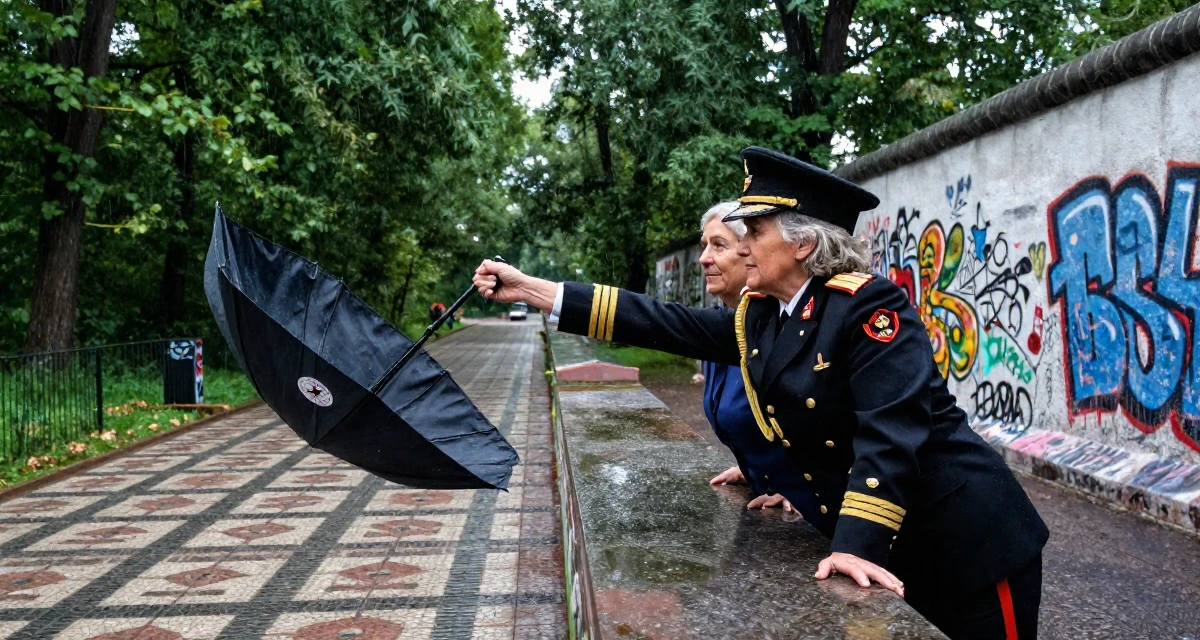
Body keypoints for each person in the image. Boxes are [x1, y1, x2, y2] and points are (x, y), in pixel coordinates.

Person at [474, 146, 1048, 640]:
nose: (742, 245)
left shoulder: (870, 307)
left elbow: (891, 433)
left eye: (755, 231)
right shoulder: (766, 316)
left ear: (802, 245)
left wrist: (855, 543)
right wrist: (537, 290)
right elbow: (664, 322)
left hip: (967, 541)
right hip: (900, 544)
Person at [698, 201, 811, 517]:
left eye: (719, 245)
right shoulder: (724, 325)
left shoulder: (782, 326)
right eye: (704, 246)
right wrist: (753, 468)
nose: (704, 258)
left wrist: (799, 489)